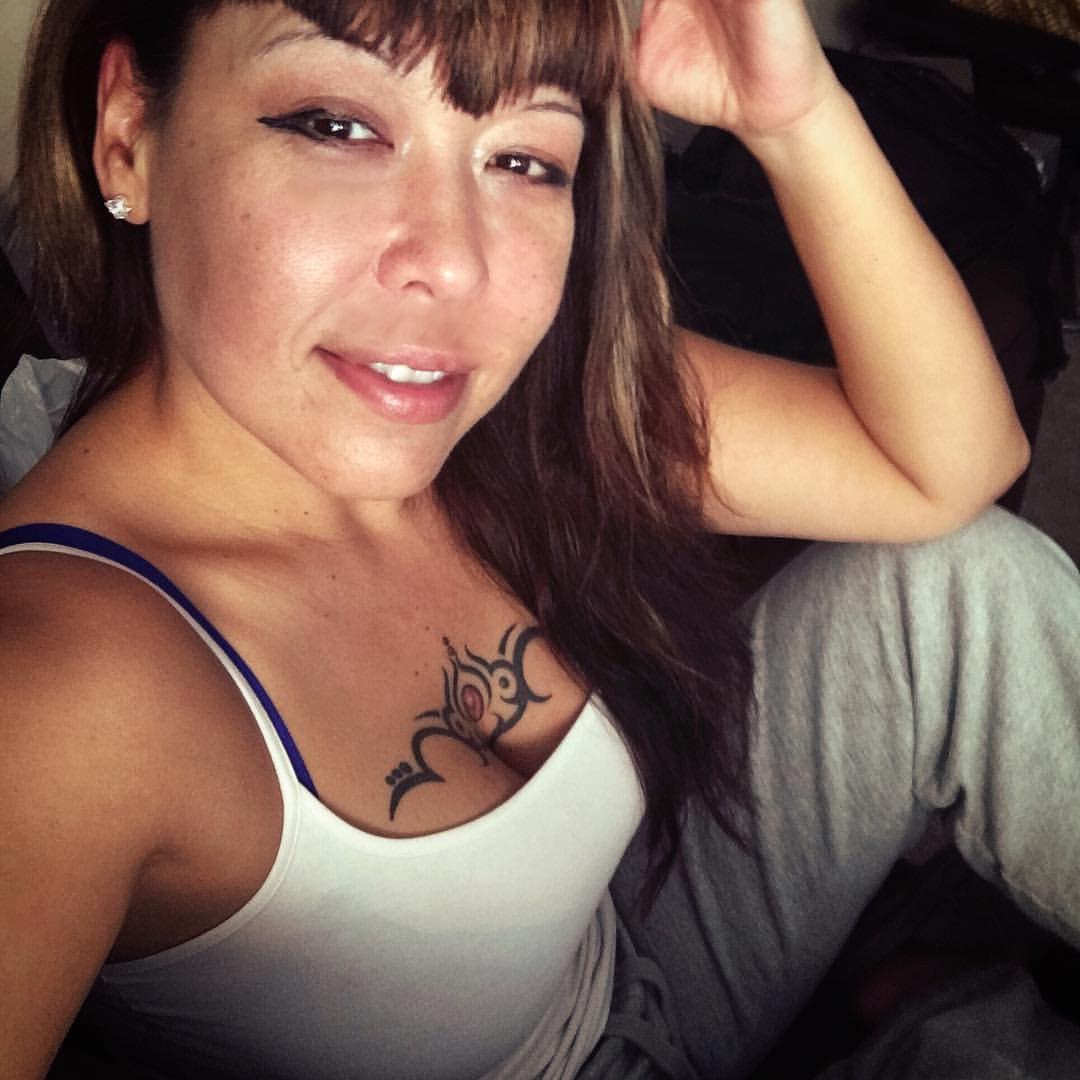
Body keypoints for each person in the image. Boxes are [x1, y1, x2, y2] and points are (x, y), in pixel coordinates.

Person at [0, 0, 1077, 1077]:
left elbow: (948, 464)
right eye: (338, 126)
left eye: (524, 161)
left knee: (958, 580)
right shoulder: (59, 698)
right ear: (129, 132)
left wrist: (793, 118)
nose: (455, 264)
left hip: (637, 961)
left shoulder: (525, 412)